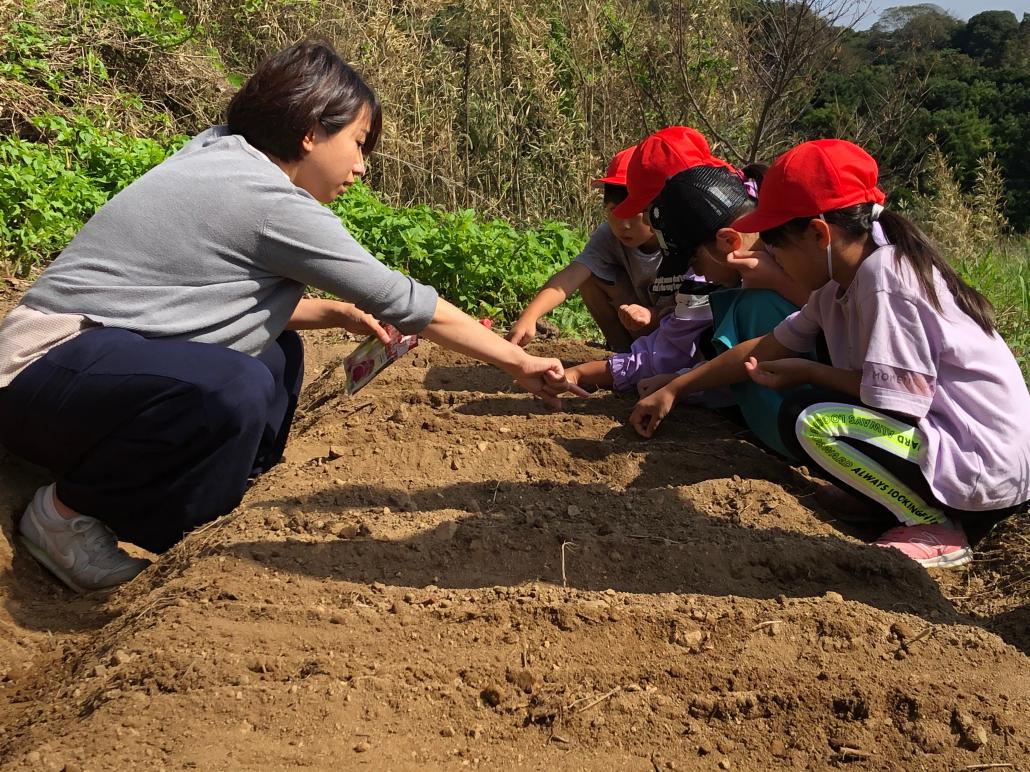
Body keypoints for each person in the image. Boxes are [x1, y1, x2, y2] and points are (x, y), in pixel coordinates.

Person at [0, 41, 582, 593]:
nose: (360, 166)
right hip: (37, 367)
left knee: (276, 351)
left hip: (76, 369)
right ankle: (66, 512)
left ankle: (222, 502)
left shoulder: (221, 150)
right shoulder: (270, 201)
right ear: (310, 134)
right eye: (358, 143)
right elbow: (405, 301)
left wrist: (321, 311)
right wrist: (518, 362)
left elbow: (184, 290)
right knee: (235, 382)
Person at [632, 139, 1030, 568]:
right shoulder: (838, 285)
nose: (770, 257)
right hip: (959, 447)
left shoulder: (885, 278)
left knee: (816, 419)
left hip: (983, 464)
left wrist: (808, 371)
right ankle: (886, 500)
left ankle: (934, 526)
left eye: (775, 245)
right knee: (811, 413)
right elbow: (765, 348)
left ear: (819, 234)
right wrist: (677, 387)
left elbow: (893, 397)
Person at [554, 163, 807, 408]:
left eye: (693, 261)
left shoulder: (789, 258)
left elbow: (791, 335)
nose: (695, 272)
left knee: (750, 307)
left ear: (728, 240)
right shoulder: (744, 262)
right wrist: (682, 383)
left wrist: (683, 384)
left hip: (817, 408)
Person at [507, 147, 668, 352]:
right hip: (637, 319)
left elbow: (691, 311)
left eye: (634, 212)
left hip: (677, 327)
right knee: (590, 277)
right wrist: (528, 317)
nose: (623, 224)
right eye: (614, 211)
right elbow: (571, 276)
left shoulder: (677, 240)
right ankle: (622, 353)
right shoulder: (609, 235)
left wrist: (652, 315)